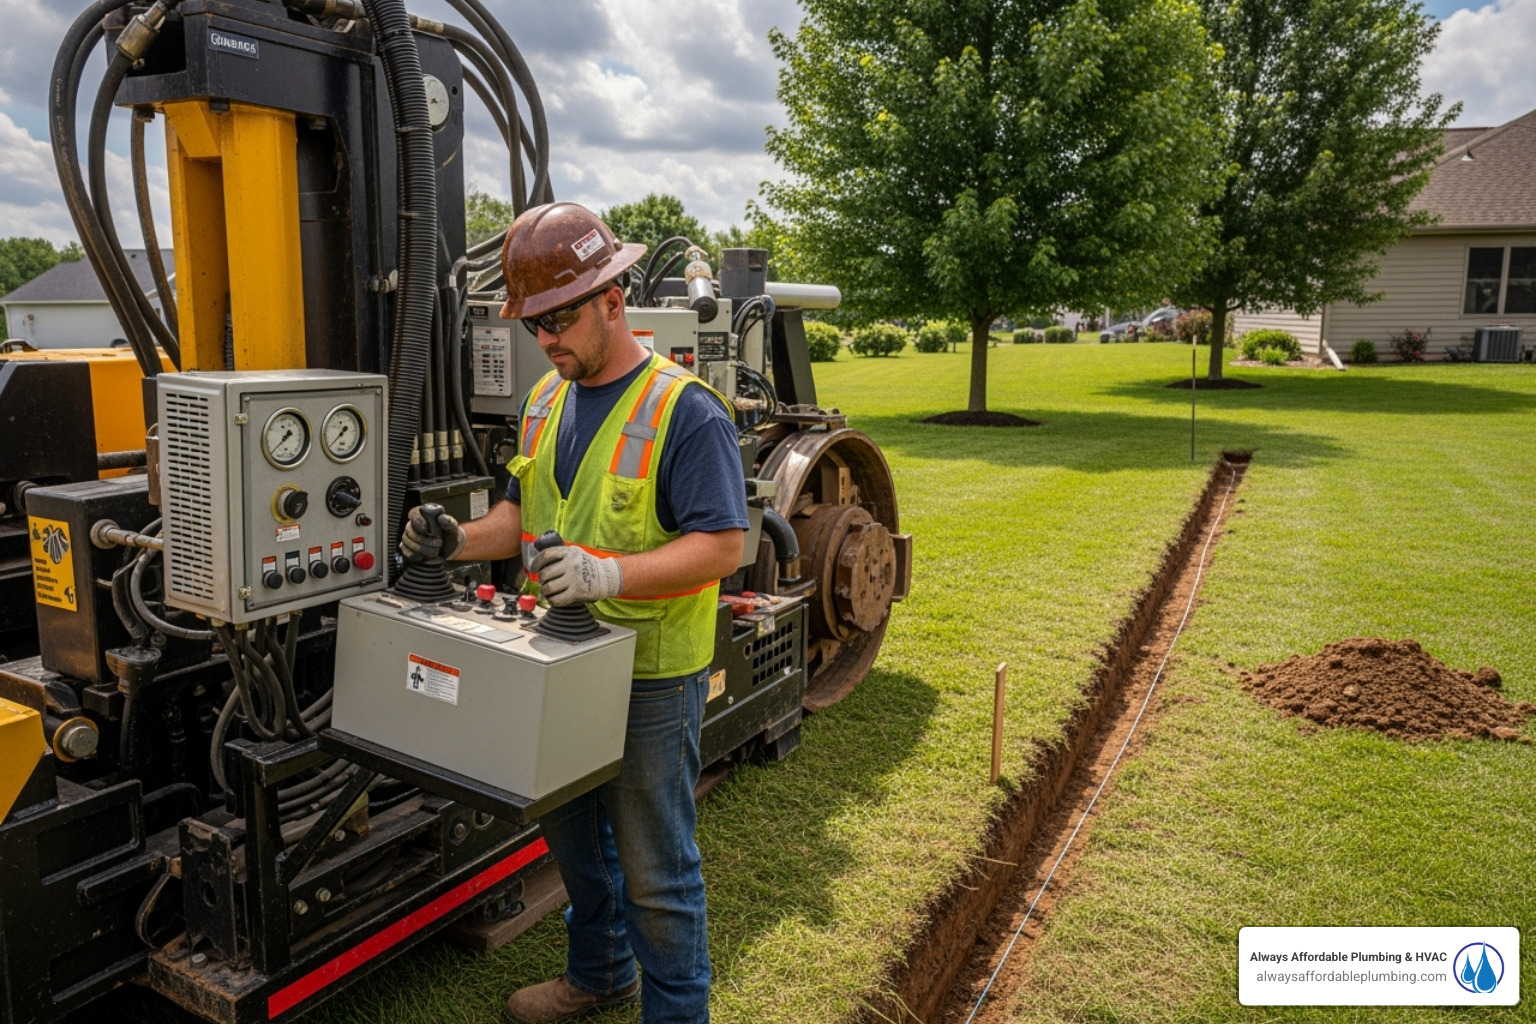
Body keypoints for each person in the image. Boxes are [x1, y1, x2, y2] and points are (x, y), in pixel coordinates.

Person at [400, 202, 747, 1024]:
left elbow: (724, 546)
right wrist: (455, 541)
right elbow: (520, 517)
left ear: (613, 302)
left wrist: (606, 573)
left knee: (656, 872)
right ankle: (599, 976)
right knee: (577, 853)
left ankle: (675, 1013)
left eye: (559, 319)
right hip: (554, 664)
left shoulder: (685, 411)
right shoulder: (543, 403)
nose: (547, 339)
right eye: (534, 325)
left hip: (650, 678)